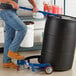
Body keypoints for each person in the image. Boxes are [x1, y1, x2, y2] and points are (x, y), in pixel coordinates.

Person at [0, 0, 38, 68]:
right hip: (6, 11)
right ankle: (12, 51)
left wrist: (34, 6)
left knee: (10, 36)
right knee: (23, 28)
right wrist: (12, 2)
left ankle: (6, 62)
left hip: (11, 12)